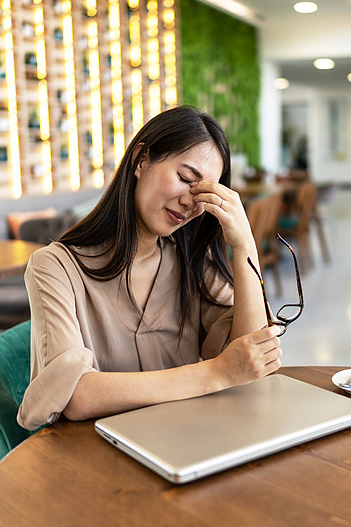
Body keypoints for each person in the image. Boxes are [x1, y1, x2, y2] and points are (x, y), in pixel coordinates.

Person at [17, 106, 282, 430]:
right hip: (95, 460)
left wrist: (244, 246)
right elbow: (76, 396)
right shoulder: (55, 268)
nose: (191, 203)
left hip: (183, 445)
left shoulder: (192, 261)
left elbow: (251, 361)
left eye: (204, 194)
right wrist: (216, 373)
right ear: (141, 160)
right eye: (185, 179)